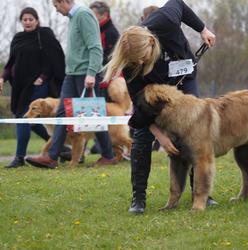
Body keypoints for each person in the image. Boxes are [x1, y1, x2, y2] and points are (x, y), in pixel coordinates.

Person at [103, 0, 217, 214]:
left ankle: (201, 193)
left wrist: (203, 29)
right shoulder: (130, 64)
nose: (138, 63)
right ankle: (138, 198)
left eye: (141, 58)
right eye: (134, 61)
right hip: (152, 92)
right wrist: (161, 136)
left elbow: (179, 5)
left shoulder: (164, 20)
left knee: (195, 133)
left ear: (150, 43)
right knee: (142, 138)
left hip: (184, 78)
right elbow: (140, 106)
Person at [26, 0, 116, 169]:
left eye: (56, 6)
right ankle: (51, 157)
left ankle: (108, 155)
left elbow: (96, 47)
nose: (56, 10)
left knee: (92, 115)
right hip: (72, 74)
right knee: (61, 113)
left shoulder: (83, 15)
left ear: (63, 1)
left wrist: (91, 73)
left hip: (85, 75)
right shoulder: (73, 18)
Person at [0, 7, 65, 168]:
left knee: (24, 118)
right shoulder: (18, 38)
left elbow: (54, 59)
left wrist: (42, 77)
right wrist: (2, 78)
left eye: (31, 19)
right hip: (20, 87)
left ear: (37, 20)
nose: (28, 22)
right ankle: (62, 149)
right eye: (25, 19)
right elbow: (10, 63)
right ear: (21, 21)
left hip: (39, 87)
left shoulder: (45, 35)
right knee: (34, 123)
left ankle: (19, 157)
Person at [89, 1, 120, 155]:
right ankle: (102, 145)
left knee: (107, 114)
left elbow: (112, 60)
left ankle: (109, 148)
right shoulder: (96, 31)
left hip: (108, 80)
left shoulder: (111, 33)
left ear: (104, 15)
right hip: (99, 78)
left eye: (93, 16)